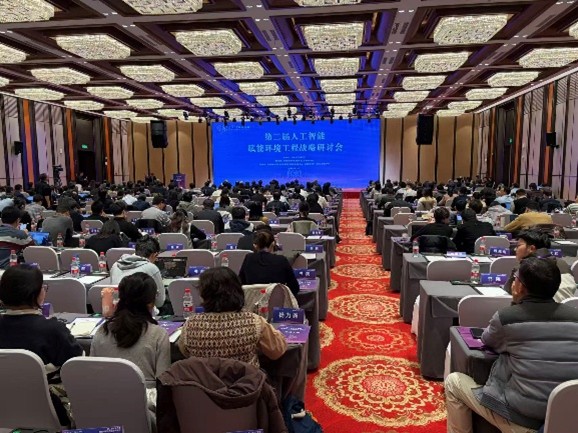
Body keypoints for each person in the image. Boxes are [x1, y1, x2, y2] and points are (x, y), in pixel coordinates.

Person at [445, 256, 578, 433]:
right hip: (566, 418)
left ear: (520, 286)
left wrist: (515, 303)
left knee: (453, 383)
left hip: (523, 420)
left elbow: (487, 340)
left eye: (515, 279)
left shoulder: (507, 318)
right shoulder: (575, 317)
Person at [0, 265, 83, 425]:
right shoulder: (53, 330)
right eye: (43, 287)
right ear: (35, 293)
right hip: (53, 411)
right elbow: (78, 367)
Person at [178, 267, 287, 367]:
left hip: (204, 381)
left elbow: (185, 352)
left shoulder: (190, 325)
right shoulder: (254, 322)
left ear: (203, 295)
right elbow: (276, 351)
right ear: (238, 291)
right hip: (245, 381)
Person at [91, 273, 170, 406]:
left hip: (105, 405)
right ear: (151, 303)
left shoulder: (102, 331)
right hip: (145, 408)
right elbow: (164, 384)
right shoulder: (158, 335)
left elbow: (92, 375)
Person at [503, 229, 575, 302]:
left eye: (518, 245)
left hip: (540, 308)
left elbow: (510, 290)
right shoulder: (564, 263)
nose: (515, 249)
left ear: (531, 248)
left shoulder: (526, 267)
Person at [109, 236, 165, 309]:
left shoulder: (115, 265)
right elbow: (160, 302)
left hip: (118, 310)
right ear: (154, 255)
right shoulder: (151, 268)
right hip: (141, 312)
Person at [239, 230, 300, 296]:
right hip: (277, 301)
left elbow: (241, 282)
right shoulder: (281, 260)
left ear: (255, 245)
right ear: (273, 243)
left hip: (252, 300)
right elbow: (294, 288)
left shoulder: (249, 258)